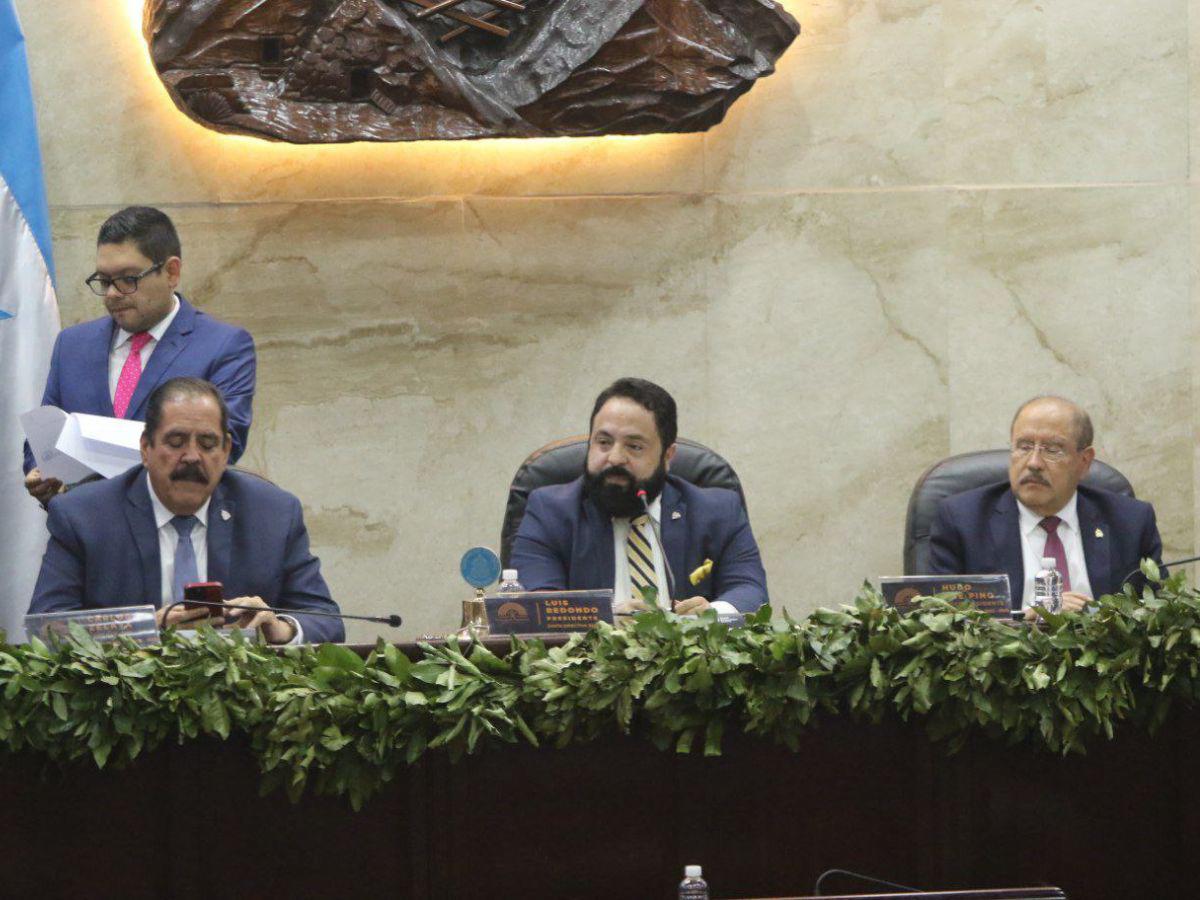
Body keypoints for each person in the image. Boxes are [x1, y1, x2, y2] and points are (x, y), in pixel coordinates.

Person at [29, 378, 342, 644]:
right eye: (176, 442)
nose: (192, 457)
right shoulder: (83, 515)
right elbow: (46, 628)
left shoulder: (273, 514)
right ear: (146, 448)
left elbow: (326, 621)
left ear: (226, 451)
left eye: (207, 443)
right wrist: (146, 627)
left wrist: (280, 628)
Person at [24, 206, 255, 504]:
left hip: (172, 522)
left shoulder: (223, 346)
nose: (112, 294)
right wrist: (39, 472)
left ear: (171, 272)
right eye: (104, 281)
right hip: (80, 525)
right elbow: (44, 436)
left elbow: (225, 443)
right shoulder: (72, 345)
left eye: (127, 279)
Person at [509, 377, 768, 615]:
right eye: (603, 442)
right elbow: (537, 606)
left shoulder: (719, 511)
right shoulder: (549, 511)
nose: (615, 458)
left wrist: (711, 613)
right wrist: (607, 617)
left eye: (634, 446)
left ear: (667, 457)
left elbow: (750, 592)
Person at [927, 396, 1164, 615]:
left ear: (1084, 462)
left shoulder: (1131, 521)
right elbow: (943, 620)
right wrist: (1029, 620)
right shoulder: (962, 521)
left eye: (1052, 450)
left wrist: (1096, 619)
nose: (1034, 463)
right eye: (1024, 446)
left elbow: (1158, 614)